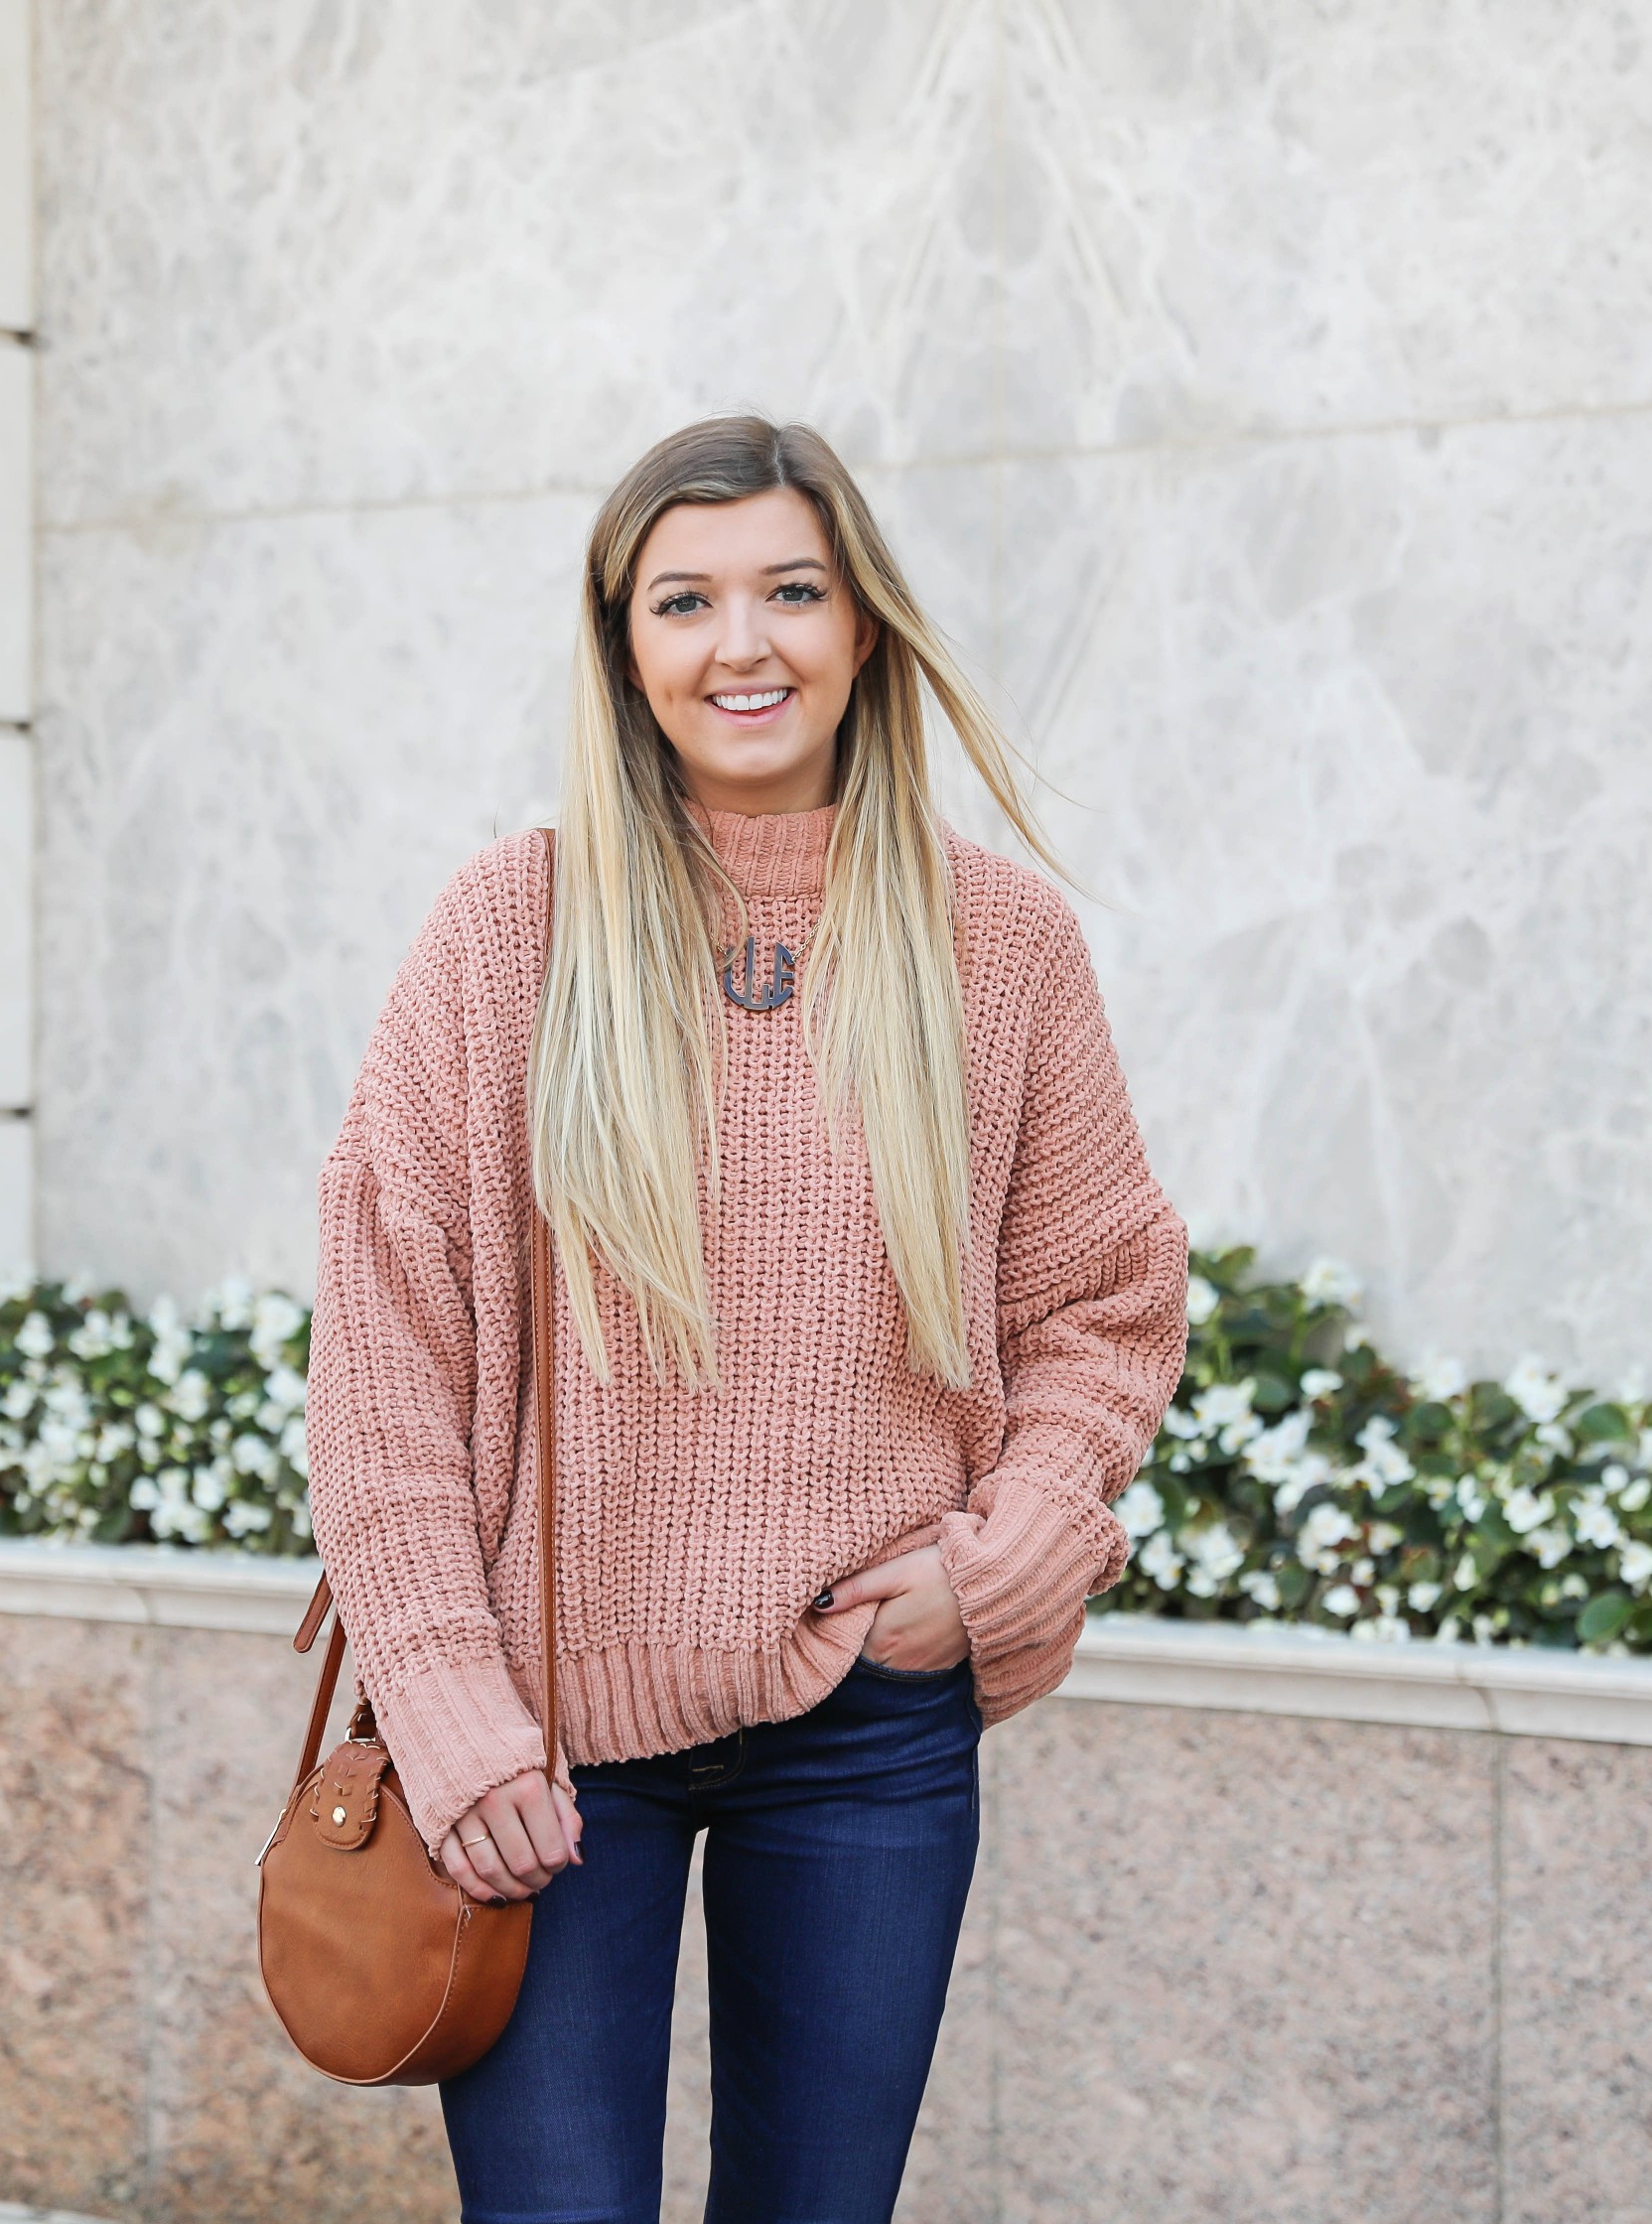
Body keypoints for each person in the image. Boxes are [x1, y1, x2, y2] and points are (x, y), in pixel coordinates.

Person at [305, 415, 1187, 2224]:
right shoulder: (513, 929)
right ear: (625, 651)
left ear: (862, 624)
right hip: (547, 1750)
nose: (744, 642)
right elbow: (387, 1355)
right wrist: (451, 1714)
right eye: (684, 600)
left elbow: (1108, 1298)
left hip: (867, 1724)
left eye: (792, 589)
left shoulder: (998, 944)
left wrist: (1006, 1564)